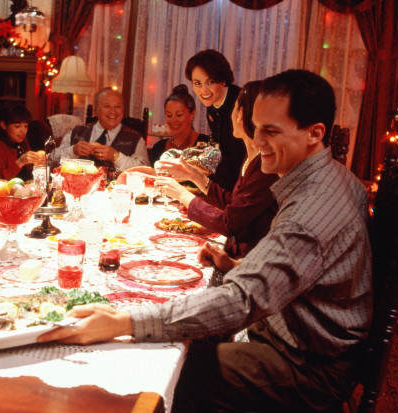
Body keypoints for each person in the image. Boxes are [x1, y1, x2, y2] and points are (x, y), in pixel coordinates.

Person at [39, 69, 372, 412]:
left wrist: (124, 322)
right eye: (256, 127)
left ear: (315, 133)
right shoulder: (335, 176)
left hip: (306, 364)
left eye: (270, 131)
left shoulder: (309, 210)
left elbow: (241, 300)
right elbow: (306, 267)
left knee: (165, 368)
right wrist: (237, 265)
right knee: (182, 330)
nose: (257, 141)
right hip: (302, 335)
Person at [155, 81, 278, 259]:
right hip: (237, 252)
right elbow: (234, 204)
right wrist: (194, 176)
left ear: (241, 114)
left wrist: (182, 194)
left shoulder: (265, 166)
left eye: (233, 108)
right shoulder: (251, 158)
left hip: (249, 260)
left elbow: (228, 223)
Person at [186, 49, 247, 192]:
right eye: (197, 83)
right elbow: (221, 149)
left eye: (210, 82)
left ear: (223, 80)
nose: (204, 91)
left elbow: (240, 155)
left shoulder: (241, 103)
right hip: (226, 184)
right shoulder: (212, 106)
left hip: (244, 183)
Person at [50, 88, 150, 170]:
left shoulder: (136, 138)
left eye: (117, 107)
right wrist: (73, 151)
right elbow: (52, 159)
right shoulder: (77, 132)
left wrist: (116, 157)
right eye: (107, 106)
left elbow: (144, 170)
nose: (113, 111)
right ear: (96, 110)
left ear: (123, 110)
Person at [148, 84, 210, 164]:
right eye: (169, 115)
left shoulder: (206, 145)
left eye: (179, 115)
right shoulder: (158, 148)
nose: (173, 120)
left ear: (192, 114)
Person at [0, 105, 45, 181]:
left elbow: (28, 172)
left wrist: (38, 162)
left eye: (26, 126)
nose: (23, 131)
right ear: (3, 125)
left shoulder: (22, 142)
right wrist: (20, 162)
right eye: (17, 126)